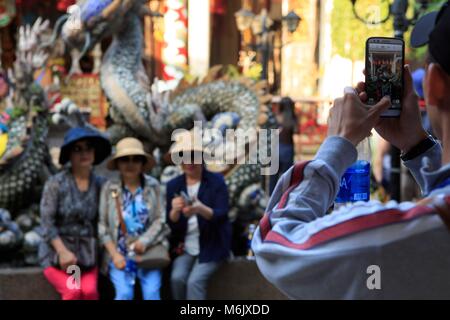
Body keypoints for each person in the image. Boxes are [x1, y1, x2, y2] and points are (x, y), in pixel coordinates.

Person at [252, 2, 450, 299]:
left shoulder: (396, 238)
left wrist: (337, 146)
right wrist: (417, 146)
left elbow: (274, 247)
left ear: (433, 85)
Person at [39, 126, 111, 300]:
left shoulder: (102, 184)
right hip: (59, 255)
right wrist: (62, 251)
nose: (84, 153)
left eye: (88, 148)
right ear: (69, 154)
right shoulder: (56, 184)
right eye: (77, 149)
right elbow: (47, 222)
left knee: (89, 292)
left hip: (87, 256)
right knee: (73, 291)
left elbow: (109, 217)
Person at [98, 137, 169, 300]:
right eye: (124, 159)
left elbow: (160, 219)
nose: (130, 164)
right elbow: (102, 225)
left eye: (136, 159)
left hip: (149, 251)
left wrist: (144, 242)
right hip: (119, 253)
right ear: (117, 164)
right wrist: (114, 254)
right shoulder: (109, 188)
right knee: (124, 294)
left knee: (152, 293)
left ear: (143, 163)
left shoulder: (154, 187)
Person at [166, 130, 231, 300]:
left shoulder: (216, 181)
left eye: (193, 155)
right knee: (177, 278)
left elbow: (222, 215)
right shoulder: (174, 185)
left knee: (194, 282)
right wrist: (174, 211)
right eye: (184, 156)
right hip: (185, 246)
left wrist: (200, 209)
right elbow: (172, 225)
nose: (189, 162)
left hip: (213, 244)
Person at [269, 97, 299, 194]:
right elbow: (296, 134)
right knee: (287, 178)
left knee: (273, 177)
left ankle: (271, 198)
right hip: (288, 149)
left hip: (275, 148)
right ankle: (284, 198)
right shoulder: (293, 118)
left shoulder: (276, 117)